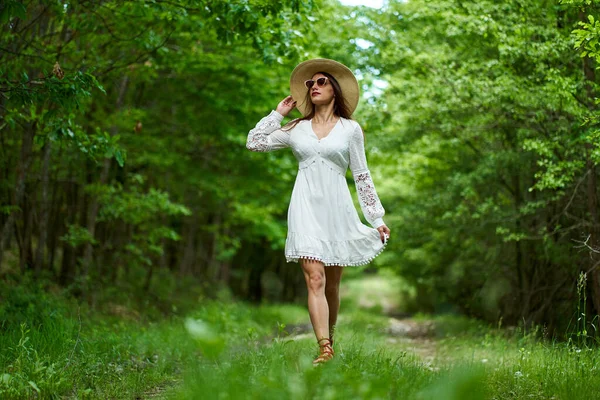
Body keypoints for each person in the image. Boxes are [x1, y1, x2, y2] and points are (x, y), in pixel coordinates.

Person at [246, 58, 390, 365]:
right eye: (310, 83)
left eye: (321, 82)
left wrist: (376, 219)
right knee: (315, 279)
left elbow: (362, 175)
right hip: (305, 206)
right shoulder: (297, 128)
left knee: (332, 284)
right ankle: (324, 347)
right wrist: (277, 114)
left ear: (335, 90)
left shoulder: (351, 129)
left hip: (337, 208)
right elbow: (254, 143)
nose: (313, 87)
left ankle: (330, 338)